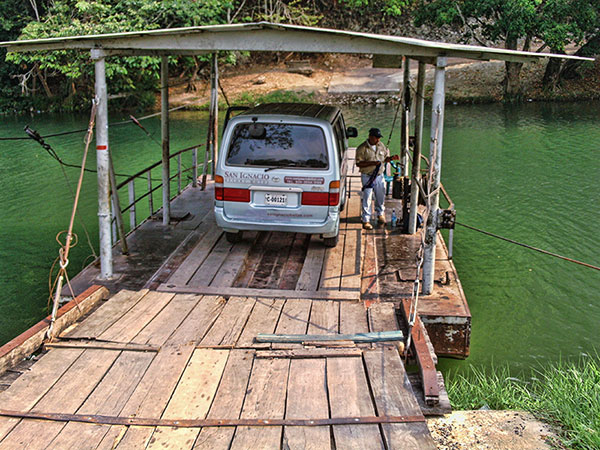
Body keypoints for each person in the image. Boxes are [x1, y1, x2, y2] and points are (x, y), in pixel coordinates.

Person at [355, 127, 399, 230]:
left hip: (379, 175)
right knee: (367, 197)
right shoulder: (362, 148)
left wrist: (391, 158)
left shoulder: (381, 146)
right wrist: (373, 163)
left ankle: (380, 214)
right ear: (370, 137)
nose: (378, 140)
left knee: (381, 196)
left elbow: (384, 159)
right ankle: (366, 219)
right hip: (368, 176)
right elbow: (358, 164)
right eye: (376, 137)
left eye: (379, 138)